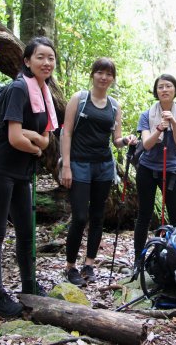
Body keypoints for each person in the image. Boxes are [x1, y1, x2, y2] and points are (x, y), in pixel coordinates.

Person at [0, 37, 59, 317]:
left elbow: (46, 141)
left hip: (22, 174)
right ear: (27, 61)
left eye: (50, 57)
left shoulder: (45, 93)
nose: (46, 62)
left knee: (26, 232)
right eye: (40, 57)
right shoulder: (18, 89)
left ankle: (29, 286)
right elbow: (14, 138)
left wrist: (33, 138)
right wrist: (34, 144)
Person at [59, 58, 137, 287]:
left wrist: (126, 140)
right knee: (80, 216)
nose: (104, 77)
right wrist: (66, 165)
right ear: (93, 74)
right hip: (79, 164)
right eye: (100, 72)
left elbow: (116, 140)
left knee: (97, 216)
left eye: (108, 74)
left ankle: (89, 264)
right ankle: (70, 266)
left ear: (113, 78)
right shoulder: (79, 99)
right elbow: (67, 133)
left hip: (103, 166)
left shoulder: (114, 105)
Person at [133, 74, 176, 260]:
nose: (164, 90)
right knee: (144, 215)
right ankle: (138, 259)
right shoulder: (146, 115)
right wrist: (158, 128)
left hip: (170, 170)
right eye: (160, 87)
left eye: (168, 86)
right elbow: (147, 145)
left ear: (175, 90)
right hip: (147, 169)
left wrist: (173, 122)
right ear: (156, 91)